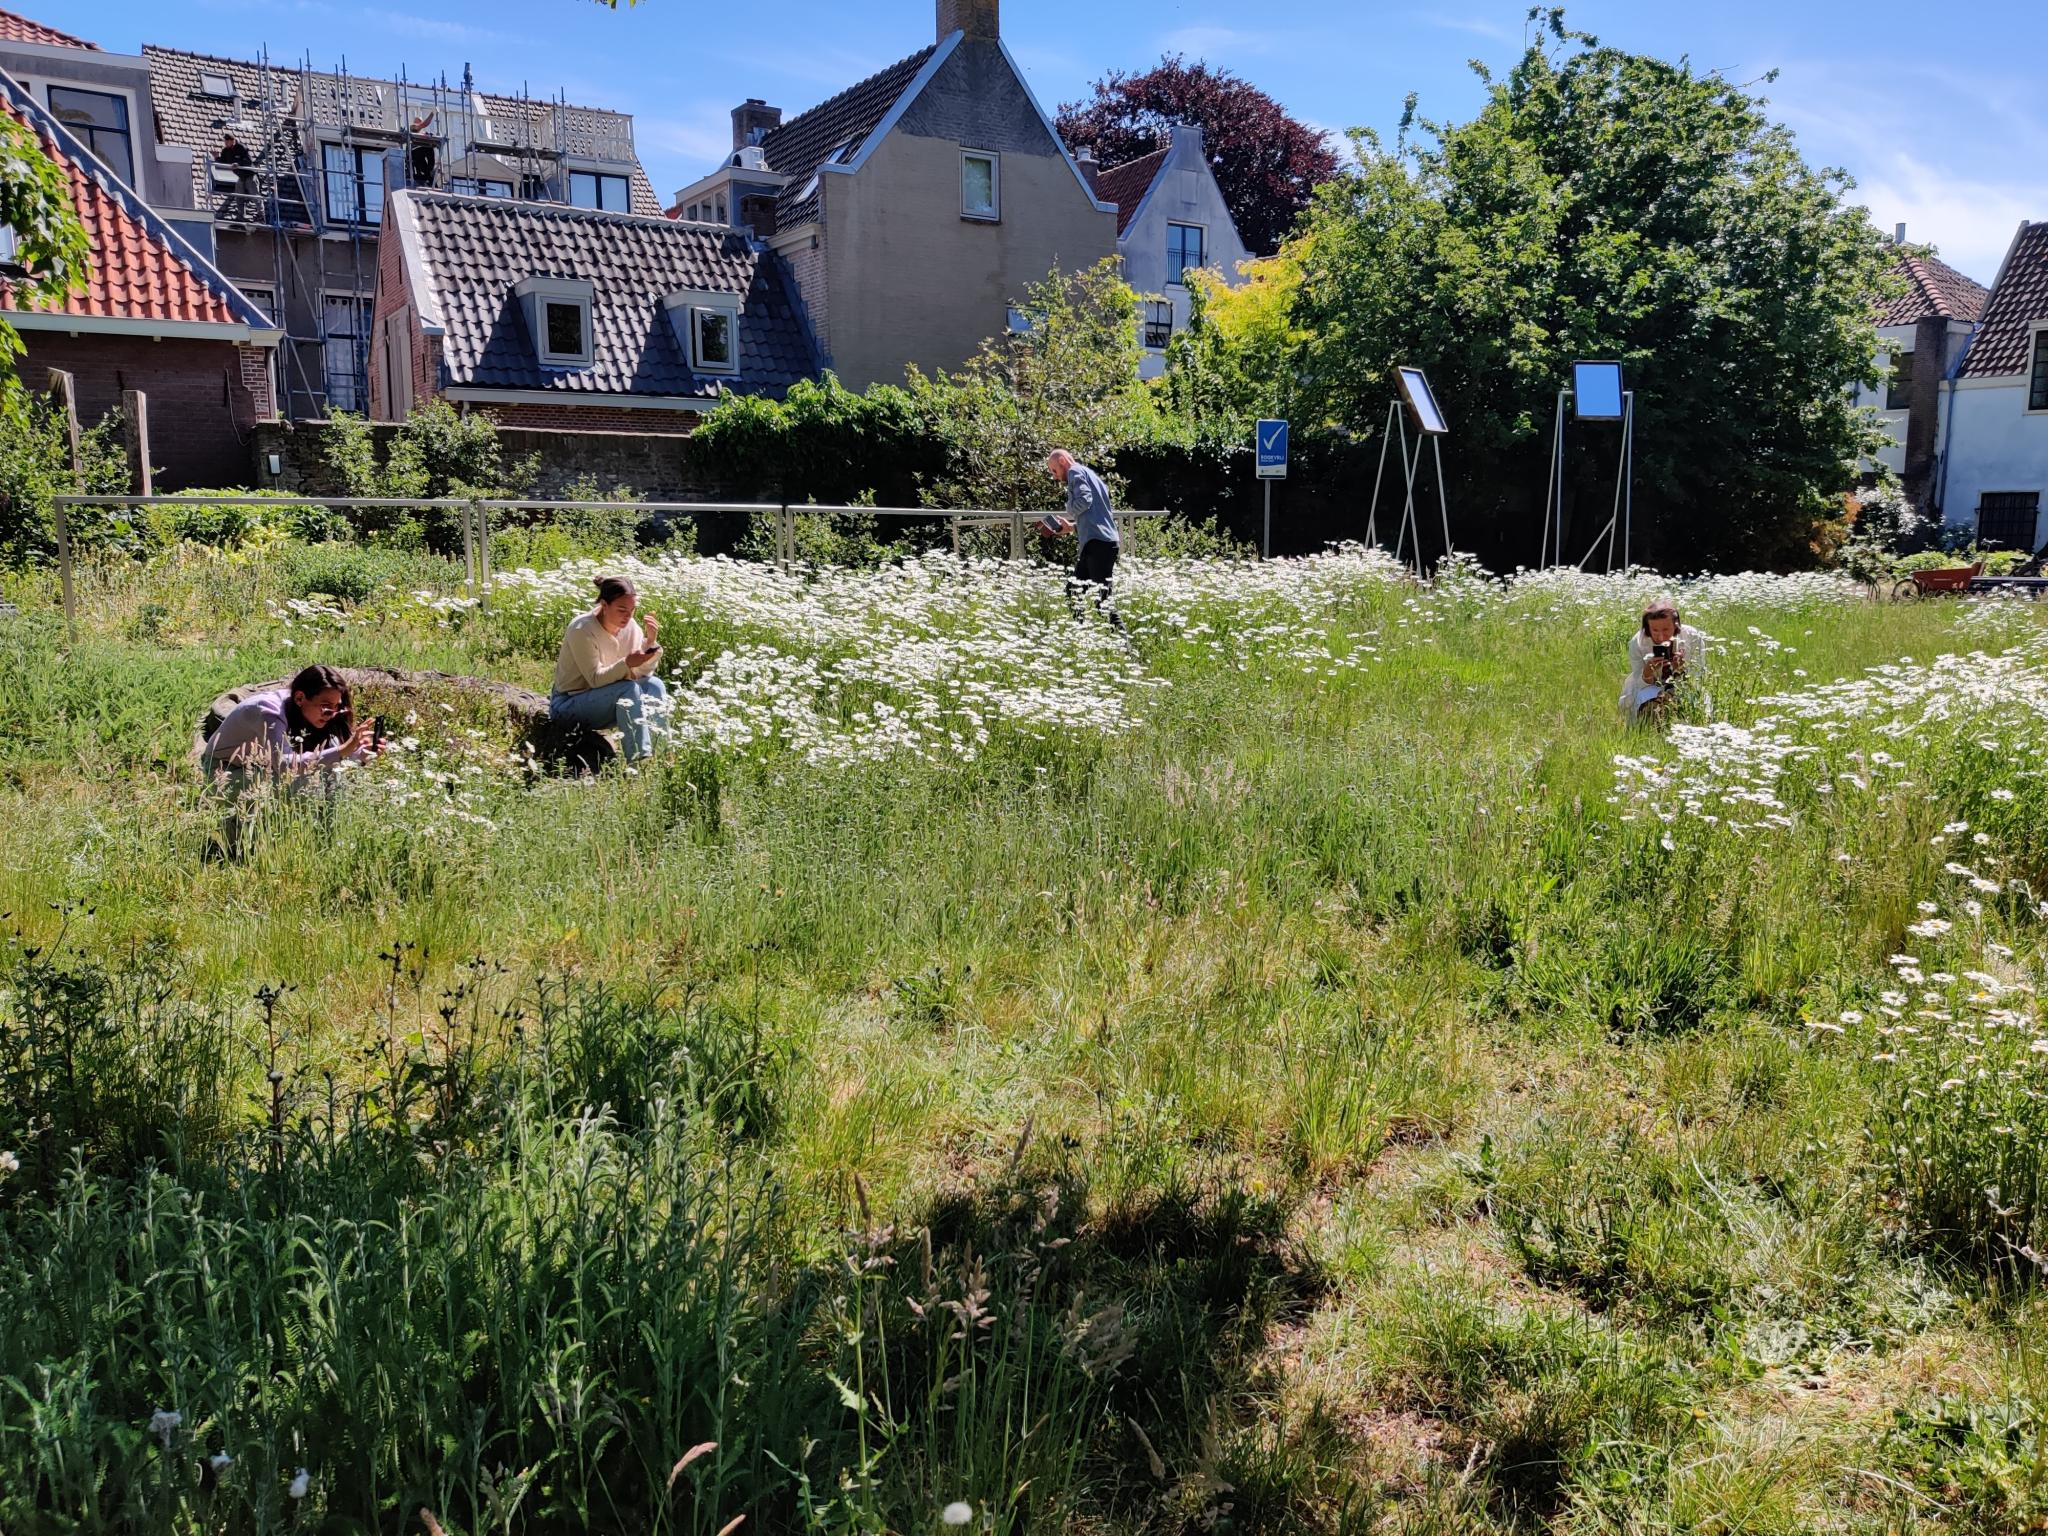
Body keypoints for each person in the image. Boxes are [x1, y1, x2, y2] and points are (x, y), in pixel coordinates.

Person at [200, 663, 380, 857]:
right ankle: (237, 833)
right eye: (326, 707)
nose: (332, 714)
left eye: (337, 707)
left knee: (333, 772)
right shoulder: (268, 710)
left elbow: (330, 756)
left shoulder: (309, 712)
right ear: (300, 698)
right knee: (301, 781)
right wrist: (344, 749)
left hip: (261, 769)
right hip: (223, 773)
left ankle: (328, 843)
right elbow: (286, 766)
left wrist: (360, 754)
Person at [551, 574, 668, 763]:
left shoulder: (631, 628)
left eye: (632, 610)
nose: (628, 616)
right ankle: (639, 761)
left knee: (654, 685)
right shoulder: (582, 629)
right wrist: (627, 663)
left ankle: (661, 757)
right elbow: (595, 679)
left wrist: (649, 645)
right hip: (568, 704)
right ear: (604, 605)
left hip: (608, 700)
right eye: (621, 610)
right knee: (628, 689)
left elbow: (640, 674)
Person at [1041, 448, 1123, 628]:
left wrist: (1069, 508)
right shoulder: (1091, 474)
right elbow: (1097, 514)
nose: (1055, 476)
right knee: (1074, 592)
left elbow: (1085, 500)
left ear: (1062, 461)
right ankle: (1080, 634)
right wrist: (1072, 526)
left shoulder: (1074, 472)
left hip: (1098, 545)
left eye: (1054, 470)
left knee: (1103, 603)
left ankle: (1124, 643)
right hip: (1099, 543)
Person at [1621, 598, 1707, 723]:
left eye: (1666, 630)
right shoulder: (1637, 643)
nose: (1661, 637)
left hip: (1685, 688)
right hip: (1650, 689)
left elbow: (1698, 677)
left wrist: (1681, 671)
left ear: (1676, 626)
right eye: (1655, 630)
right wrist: (1647, 674)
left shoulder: (1693, 637)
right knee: (1649, 703)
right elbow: (1637, 683)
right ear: (1647, 629)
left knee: (1694, 705)